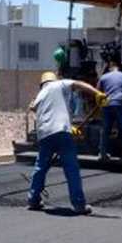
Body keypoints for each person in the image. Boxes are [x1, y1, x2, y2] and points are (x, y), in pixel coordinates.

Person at [27, 71, 107, 214]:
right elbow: (78, 84)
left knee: (40, 167)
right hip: (62, 132)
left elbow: (37, 109)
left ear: (42, 84)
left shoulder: (40, 96)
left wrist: (69, 127)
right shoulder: (60, 84)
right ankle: (79, 205)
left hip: (44, 134)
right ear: (54, 80)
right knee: (71, 169)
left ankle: (33, 200)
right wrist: (97, 93)